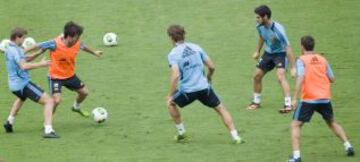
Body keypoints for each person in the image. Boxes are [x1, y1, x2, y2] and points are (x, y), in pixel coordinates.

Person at [166, 24, 243, 144]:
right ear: (183, 35)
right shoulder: (196, 47)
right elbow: (212, 67)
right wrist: (209, 77)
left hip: (188, 91)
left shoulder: (173, 54)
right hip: (204, 88)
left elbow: (175, 76)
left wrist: (170, 94)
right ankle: (236, 137)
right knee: (221, 109)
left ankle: (182, 133)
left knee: (171, 104)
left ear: (171, 38)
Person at [287, 36, 354, 162]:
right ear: (313, 46)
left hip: (309, 99)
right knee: (332, 122)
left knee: (295, 125)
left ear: (302, 46)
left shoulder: (301, 60)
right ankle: (348, 146)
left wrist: (295, 98)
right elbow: (332, 79)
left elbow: (301, 78)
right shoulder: (323, 59)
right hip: (324, 98)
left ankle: (296, 157)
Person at [26, 21, 103, 117]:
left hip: (70, 75)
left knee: (84, 92)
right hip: (55, 77)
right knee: (56, 101)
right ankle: (48, 123)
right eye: (77, 37)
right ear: (69, 37)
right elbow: (38, 45)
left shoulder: (77, 43)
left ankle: (76, 107)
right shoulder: (54, 43)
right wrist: (22, 51)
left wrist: (94, 52)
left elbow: (83, 47)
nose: (78, 39)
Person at [3, 27, 59, 138]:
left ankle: (9, 122)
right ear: (17, 37)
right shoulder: (15, 50)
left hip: (14, 86)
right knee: (49, 101)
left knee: (21, 98)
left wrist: (39, 52)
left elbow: (24, 59)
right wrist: (41, 64)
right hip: (22, 85)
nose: (24, 41)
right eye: (23, 38)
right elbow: (24, 66)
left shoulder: (10, 47)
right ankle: (48, 130)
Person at [248, 5, 296, 113]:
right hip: (268, 53)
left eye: (258, 17)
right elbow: (262, 36)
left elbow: (288, 48)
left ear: (265, 17)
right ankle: (256, 101)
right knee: (257, 75)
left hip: (281, 54)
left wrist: (293, 67)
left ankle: (288, 105)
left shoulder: (278, 30)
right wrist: (257, 51)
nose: (256, 19)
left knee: (280, 77)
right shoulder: (259, 26)